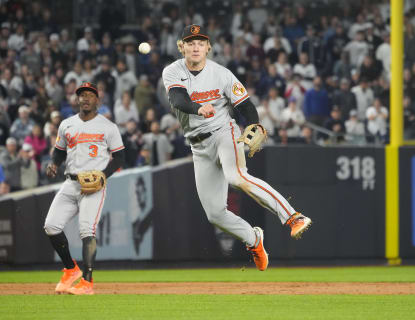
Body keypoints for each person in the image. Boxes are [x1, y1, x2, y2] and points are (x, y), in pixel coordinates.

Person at [162, 25, 311, 271]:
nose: (196, 46)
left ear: (208, 47)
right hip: (198, 147)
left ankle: (293, 216)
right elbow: (178, 98)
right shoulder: (173, 71)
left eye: (201, 42)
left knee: (237, 177)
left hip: (224, 133)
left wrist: (254, 124)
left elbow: (245, 105)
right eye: (190, 42)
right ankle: (254, 240)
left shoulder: (221, 74)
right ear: (182, 47)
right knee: (215, 213)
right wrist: (198, 108)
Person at [43, 82, 125, 295]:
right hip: (70, 183)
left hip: (94, 186)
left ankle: (87, 283)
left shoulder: (108, 127)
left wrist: (103, 176)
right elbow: (59, 151)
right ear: (77, 99)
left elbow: (121, 157)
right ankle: (71, 269)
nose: (86, 98)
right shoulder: (67, 124)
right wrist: (54, 164)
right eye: (82, 95)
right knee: (51, 226)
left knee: (86, 230)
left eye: (90, 95)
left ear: (97, 100)